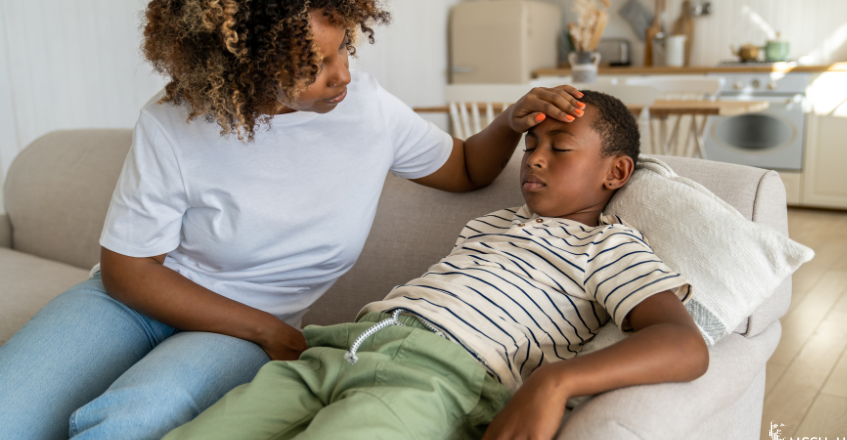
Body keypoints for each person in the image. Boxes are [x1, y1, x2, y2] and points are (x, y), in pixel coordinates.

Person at [0, 1, 589, 439]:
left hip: (239, 327)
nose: (343, 76)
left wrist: (512, 121)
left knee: (130, 421)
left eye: (345, 50)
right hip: (129, 302)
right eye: (314, 64)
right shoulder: (172, 121)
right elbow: (128, 270)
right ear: (244, 67)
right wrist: (268, 332)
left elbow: (463, 166)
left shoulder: (369, 111)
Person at [161, 90, 711, 440]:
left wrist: (554, 382)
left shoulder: (610, 247)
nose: (535, 157)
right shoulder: (496, 222)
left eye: (560, 147)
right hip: (339, 349)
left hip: (437, 380)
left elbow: (684, 344)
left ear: (615, 173)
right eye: (530, 144)